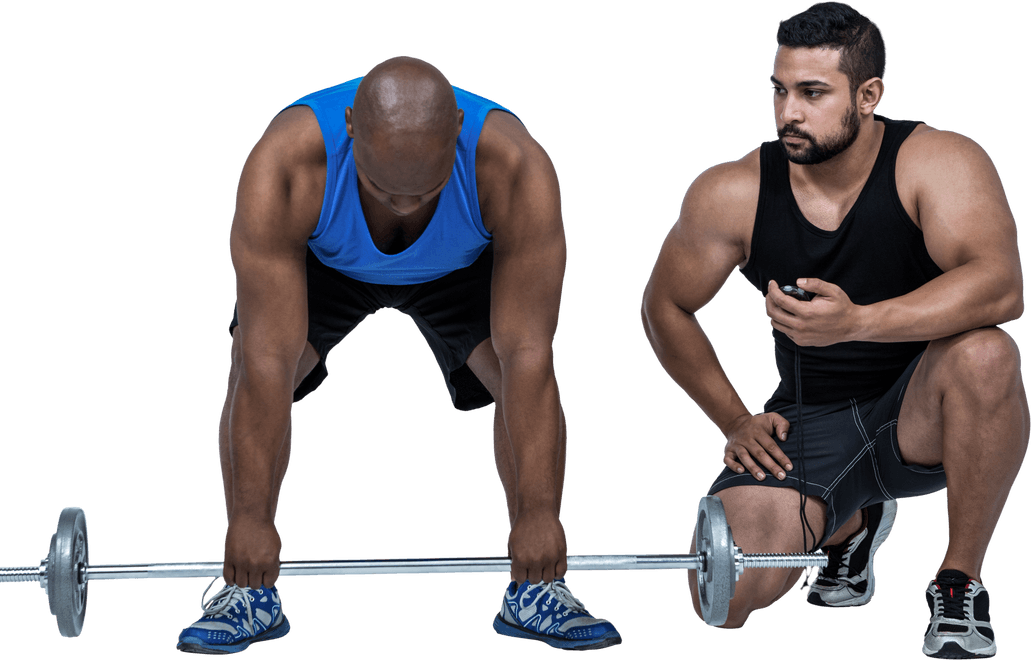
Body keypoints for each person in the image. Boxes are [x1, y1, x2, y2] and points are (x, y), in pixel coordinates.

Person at [172, 56, 621, 655]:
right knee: (251, 363)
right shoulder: (284, 165)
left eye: (426, 189)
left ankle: (535, 591)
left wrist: (540, 514)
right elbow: (267, 362)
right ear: (351, 126)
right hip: (327, 262)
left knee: (514, 378)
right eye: (383, 189)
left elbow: (529, 355)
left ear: (459, 129)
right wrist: (250, 520)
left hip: (459, 263)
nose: (405, 207)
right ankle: (250, 594)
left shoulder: (514, 169)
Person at [640, 3, 1026, 658]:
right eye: (780, 90)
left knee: (987, 353)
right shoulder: (733, 192)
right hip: (807, 421)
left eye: (813, 93)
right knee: (727, 596)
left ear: (868, 95)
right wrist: (734, 420)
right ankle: (846, 527)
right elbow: (665, 307)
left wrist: (861, 322)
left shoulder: (937, 162)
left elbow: (1002, 284)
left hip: (922, 412)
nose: (789, 111)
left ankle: (958, 579)